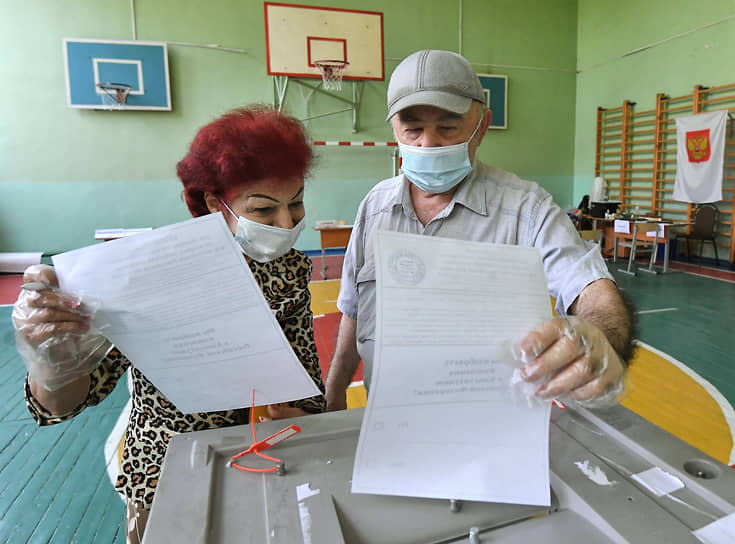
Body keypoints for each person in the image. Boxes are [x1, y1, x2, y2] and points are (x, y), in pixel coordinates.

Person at [12, 106, 326, 544]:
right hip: (166, 474)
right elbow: (60, 405)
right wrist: (51, 359)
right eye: (263, 209)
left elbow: (306, 380)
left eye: (296, 204)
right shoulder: (153, 271)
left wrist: (299, 412)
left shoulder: (288, 269)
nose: (287, 224)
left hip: (263, 463)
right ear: (217, 204)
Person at [325, 50, 635, 411]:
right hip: (389, 421)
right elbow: (353, 312)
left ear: (482, 126)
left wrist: (598, 337)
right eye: (413, 129)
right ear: (394, 128)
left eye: (447, 126)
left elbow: (591, 287)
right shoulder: (375, 208)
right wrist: (334, 393)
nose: (427, 144)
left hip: (490, 429)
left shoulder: (526, 212)